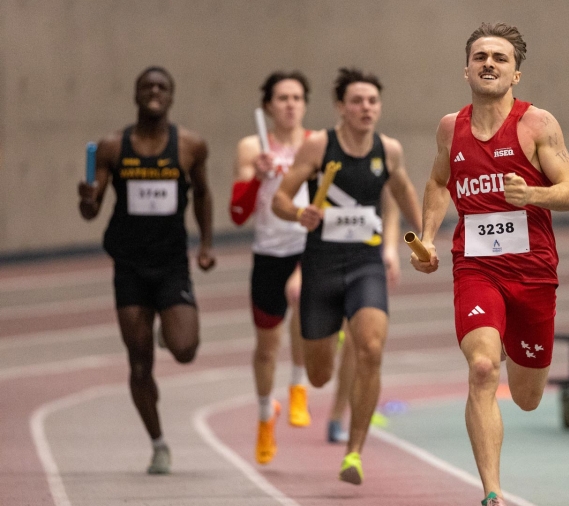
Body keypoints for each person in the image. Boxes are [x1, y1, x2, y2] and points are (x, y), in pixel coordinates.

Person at [410, 23, 569, 506]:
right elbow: (438, 182)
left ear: (516, 74)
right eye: (480, 56)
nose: (489, 63)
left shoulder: (537, 124)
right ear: (466, 68)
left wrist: (532, 194)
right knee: (483, 367)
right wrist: (427, 238)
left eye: (500, 58)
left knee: (527, 398)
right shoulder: (451, 127)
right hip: (476, 268)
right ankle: (491, 493)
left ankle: (517, 344)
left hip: (533, 273)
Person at [272, 67, 420, 485]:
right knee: (320, 375)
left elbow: (403, 190)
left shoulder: (388, 150)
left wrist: (423, 231)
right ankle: (330, 334)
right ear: (340, 106)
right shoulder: (319, 146)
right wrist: (300, 212)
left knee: (372, 348)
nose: (366, 108)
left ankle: (354, 453)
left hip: (365, 265)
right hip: (321, 268)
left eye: (372, 101)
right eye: (356, 101)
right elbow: (281, 198)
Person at [76, 66, 215, 475]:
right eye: (147, 86)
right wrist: (85, 198)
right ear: (136, 95)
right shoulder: (112, 147)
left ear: (171, 97)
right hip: (130, 266)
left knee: (185, 349)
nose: (154, 92)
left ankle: (167, 327)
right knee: (139, 364)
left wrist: (206, 244)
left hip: (172, 264)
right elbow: (90, 211)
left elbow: (204, 195)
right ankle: (158, 444)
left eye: (162, 87)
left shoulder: (190, 145)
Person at [230, 71, 315, 464]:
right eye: (282, 98)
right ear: (268, 105)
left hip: (305, 247)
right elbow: (237, 214)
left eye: (297, 97)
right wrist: (257, 178)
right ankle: (266, 416)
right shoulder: (252, 147)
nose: (290, 104)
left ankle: (298, 387)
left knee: (299, 297)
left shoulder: (316, 146)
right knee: (266, 348)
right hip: (267, 253)